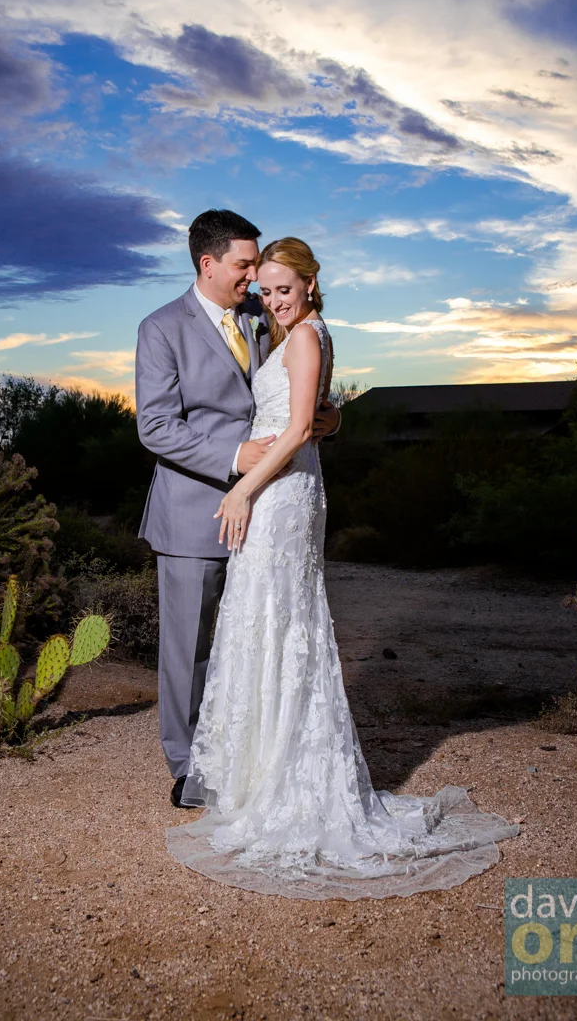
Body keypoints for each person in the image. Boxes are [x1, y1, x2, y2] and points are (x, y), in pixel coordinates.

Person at [164, 237, 520, 900]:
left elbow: (299, 427)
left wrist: (241, 487)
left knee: (281, 622)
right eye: (264, 289)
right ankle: (260, 773)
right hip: (289, 487)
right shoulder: (302, 333)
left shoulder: (304, 337)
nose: (272, 299)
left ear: (309, 282)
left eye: (283, 288)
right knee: (268, 621)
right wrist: (315, 432)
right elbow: (318, 418)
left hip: (281, 490)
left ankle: (291, 784)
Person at [135, 211, 340, 808]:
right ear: (209, 263)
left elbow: (299, 396)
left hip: (267, 507)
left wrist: (330, 419)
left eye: (259, 266)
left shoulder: (263, 316)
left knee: (253, 637)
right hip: (194, 507)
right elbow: (154, 427)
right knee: (189, 646)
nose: (255, 278)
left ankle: (248, 758)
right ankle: (188, 767)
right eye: (244, 265)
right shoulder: (161, 328)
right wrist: (233, 458)